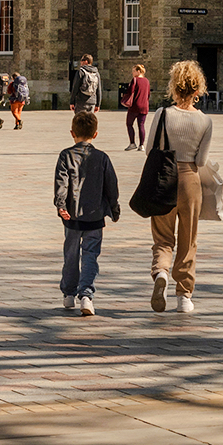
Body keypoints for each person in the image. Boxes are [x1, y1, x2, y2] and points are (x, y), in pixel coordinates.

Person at [148, 61, 214, 314]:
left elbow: (148, 149)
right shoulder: (205, 121)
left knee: (163, 238)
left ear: (174, 87)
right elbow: (201, 161)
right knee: (188, 239)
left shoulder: (163, 114)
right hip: (190, 180)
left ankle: (161, 272)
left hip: (164, 178)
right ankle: (184, 295)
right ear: (198, 90)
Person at [54, 109, 120, 316]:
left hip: (72, 216)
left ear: (72, 132)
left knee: (71, 255)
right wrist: (114, 208)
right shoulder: (102, 158)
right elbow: (112, 185)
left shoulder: (66, 155)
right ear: (96, 134)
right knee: (90, 255)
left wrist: (61, 205)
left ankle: (68, 293)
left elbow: (61, 182)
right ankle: (86, 295)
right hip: (94, 215)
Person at [122, 64, 151, 150]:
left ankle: (132, 143)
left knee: (129, 124)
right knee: (141, 125)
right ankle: (141, 145)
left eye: (134, 71)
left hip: (135, 106)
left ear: (139, 71)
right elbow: (148, 94)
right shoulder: (147, 81)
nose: (132, 72)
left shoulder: (135, 80)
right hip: (144, 106)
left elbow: (130, 91)